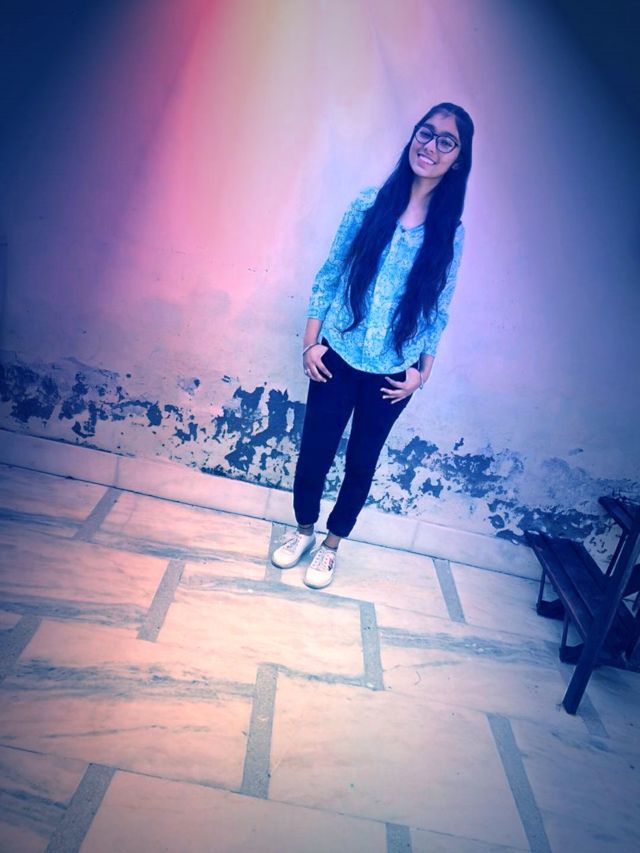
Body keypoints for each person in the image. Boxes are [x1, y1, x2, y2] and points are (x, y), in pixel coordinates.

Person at [272, 102, 474, 589]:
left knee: (362, 462)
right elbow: (330, 273)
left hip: (392, 372)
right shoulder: (368, 205)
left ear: (457, 160)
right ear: (413, 137)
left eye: (446, 141)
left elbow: (437, 307)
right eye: (426, 133)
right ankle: (303, 530)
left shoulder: (450, 233)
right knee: (315, 452)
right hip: (338, 356)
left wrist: (420, 375)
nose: (431, 146)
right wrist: (310, 344)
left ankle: (331, 545)